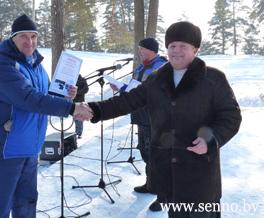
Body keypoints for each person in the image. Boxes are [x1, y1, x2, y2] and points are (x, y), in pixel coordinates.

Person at [84, 21, 242, 217]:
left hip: (200, 174)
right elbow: (128, 101)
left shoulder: (213, 79)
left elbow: (231, 115)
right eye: (172, 46)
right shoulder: (156, 79)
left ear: (195, 50)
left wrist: (211, 139)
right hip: (170, 174)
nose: (176, 51)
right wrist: (94, 109)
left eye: (183, 46)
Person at [0, 14, 92, 218]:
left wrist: (66, 97)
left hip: (30, 147)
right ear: (12, 38)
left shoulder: (37, 67)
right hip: (6, 149)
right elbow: (28, 98)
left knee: (27, 203)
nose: (29, 42)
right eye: (23, 36)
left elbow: (43, 97)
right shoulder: (1, 65)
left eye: (33, 36)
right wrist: (71, 108)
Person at [109, 37, 167, 211]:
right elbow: (136, 90)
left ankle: (163, 196)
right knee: (144, 152)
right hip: (140, 116)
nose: (139, 52)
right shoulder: (141, 68)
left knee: (156, 156)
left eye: (142, 49)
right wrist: (121, 88)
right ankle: (150, 184)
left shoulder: (161, 67)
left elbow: (159, 91)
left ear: (151, 50)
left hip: (155, 118)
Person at [73, 74, 89, 139]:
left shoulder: (82, 80)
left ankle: (79, 132)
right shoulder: (72, 79)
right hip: (73, 102)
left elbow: (86, 89)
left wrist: (77, 92)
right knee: (75, 118)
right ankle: (77, 131)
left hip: (80, 102)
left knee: (80, 118)